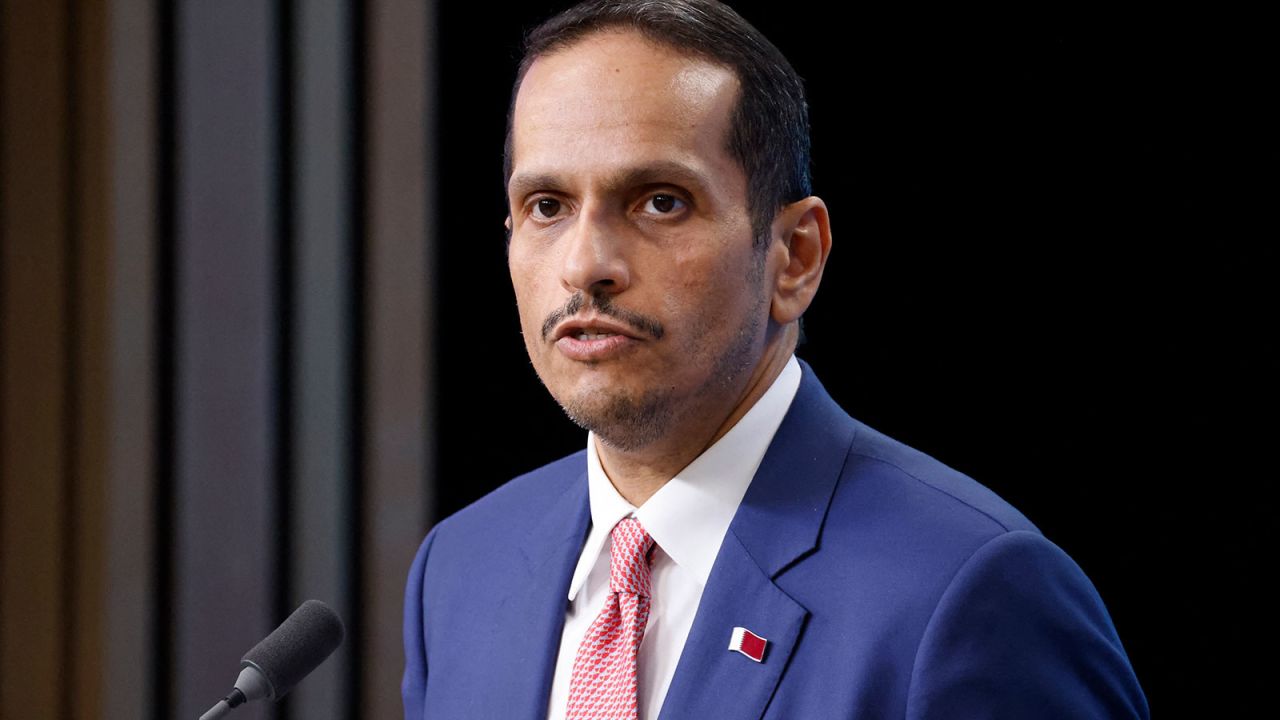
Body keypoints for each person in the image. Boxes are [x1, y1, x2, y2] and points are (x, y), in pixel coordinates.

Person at [403, 1, 1148, 718]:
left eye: (660, 201)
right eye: (547, 206)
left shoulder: (971, 592)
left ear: (796, 257)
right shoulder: (461, 568)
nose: (586, 264)